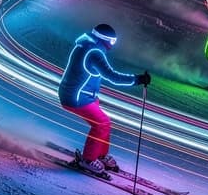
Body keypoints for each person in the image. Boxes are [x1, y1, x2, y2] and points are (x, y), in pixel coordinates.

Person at [57, 23, 150, 175]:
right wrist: (138, 79)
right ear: (104, 39)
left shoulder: (86, 45)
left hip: (82, 94)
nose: (112, 46)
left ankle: (100, 155)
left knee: (104, 123)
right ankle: (88, 160)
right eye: (112, 42)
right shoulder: (94, 52)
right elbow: (112, 76)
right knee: (102, 123)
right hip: (76, 96)